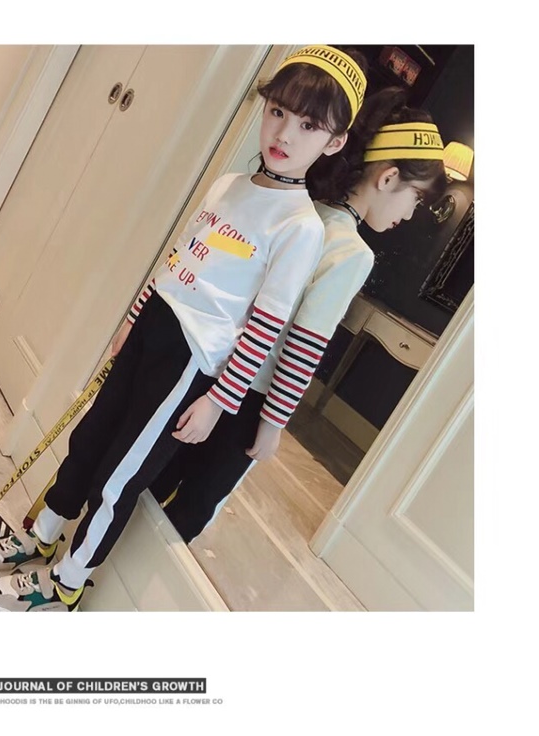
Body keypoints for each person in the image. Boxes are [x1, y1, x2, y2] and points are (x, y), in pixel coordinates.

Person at [0, 45, 369, 612]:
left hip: (189, 360)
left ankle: (66, 582)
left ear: (334, 142)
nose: (284, 133)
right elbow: (178, 259)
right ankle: (44, 532)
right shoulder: (228, 186)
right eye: (278, 111)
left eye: (308, 125)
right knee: (91, 436)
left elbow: (265, 327)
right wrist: (133, 320)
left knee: (120, 474)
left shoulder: (301, 228)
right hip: (153, 326)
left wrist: (219, 402)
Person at [147, 85, 447, 543]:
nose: (409, 215)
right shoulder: (352, 252)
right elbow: (301, 348)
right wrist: (273, 424)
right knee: (196, 502)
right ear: (388, 179)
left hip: (212, 369)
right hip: (250, 396)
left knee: (158, 474)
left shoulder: (298, 210)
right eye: (416, 199)